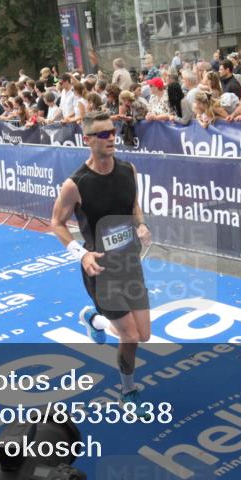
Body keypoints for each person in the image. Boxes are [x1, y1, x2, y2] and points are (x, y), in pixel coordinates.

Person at [49, 111, 153, 418]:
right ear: (88, 140)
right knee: (130, 337)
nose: (112, 138)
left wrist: (141, 224)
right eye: (104, 134)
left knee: (143, 334)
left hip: (130, 264)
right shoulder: (76, 184)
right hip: (100, 270)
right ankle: (128, 390)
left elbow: (133, 204)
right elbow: (56, 222)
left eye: (113, 131)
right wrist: (80, 253)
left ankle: (93, 319)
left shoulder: (128, 169)